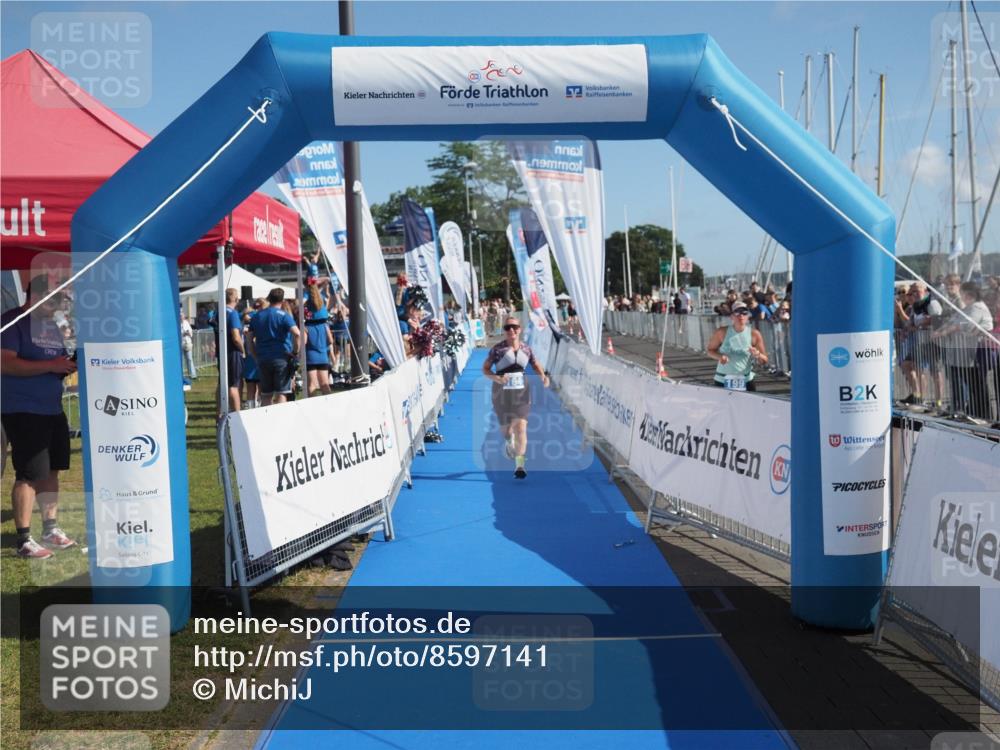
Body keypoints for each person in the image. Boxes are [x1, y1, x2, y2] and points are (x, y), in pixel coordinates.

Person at [0, 276, 78, 558]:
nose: (58, 305)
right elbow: (5, 362)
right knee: (29, 473)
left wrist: (63, 367)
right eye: (55, 299)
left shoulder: (52, 326)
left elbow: (55, 361)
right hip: (22, 408)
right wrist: (50, 365)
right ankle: (24, 539)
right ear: (36, 296)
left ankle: (51, 528)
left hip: (52, 407)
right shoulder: (12, 322)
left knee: (52, 469)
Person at [481, 316, 550, 479]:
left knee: (521, 428)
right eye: (507, 327)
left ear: (520, 329)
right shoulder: (497, 350)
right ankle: (508, 439)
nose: (511, 330)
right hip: (501, 393)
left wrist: (543, 376)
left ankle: (519, 465)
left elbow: (535, 364)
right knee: (506, 430)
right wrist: (496, 378)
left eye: (514, 327)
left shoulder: (527, 348)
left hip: (522, 392)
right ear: (504, 331)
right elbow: (485, 369)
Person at [248, 288, 300, 406]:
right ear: (282, 300)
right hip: (281, 358)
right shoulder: (284, 316)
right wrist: (295, 352)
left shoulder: (257, 316)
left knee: (266, 394)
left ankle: (266, 421)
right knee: (281, 393)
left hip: (263, 358)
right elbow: (297, 334)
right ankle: (281, 420)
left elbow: (249, 339)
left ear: (269, 298)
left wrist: (255, 356)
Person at [706, 302, 769, 391]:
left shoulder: (754, 334)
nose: (741, 316)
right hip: (723, 379)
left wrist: (757, 354)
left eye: (744, 313)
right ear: (731, 316)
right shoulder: (721, 332)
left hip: (745, 380)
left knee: (749, 405)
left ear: (748, 316)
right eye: (737, 312)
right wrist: (720, 356)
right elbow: (710, 350)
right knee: (724, 405)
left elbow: (764, 360)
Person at [214, 288, 245, 417]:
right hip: (233, 352)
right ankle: (237, 417)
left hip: (222, 351)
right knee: (233, 385)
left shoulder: (218, 312)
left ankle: (219, 414)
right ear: (236, 300)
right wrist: (243, 351)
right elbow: (236, 337)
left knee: (222, 383)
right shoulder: (232, 314)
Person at [180, 308, 196, 380]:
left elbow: (191, 332)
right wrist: (183, 333)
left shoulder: (186, 322)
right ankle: (181, 375)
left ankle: (192, 375)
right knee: (181, 360)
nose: (182, 317)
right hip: (180, 343)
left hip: (187, 343)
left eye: (182, 316)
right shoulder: (177, 323)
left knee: (189, 359)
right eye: (180, 316)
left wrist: (188, 333)